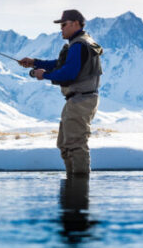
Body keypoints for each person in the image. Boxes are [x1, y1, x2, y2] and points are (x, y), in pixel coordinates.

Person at [19, 10, 104, 177]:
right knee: (65, 144)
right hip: (80, 100)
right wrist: (35, 63)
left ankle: (79, 187)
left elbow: (68, 73)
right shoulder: (83, 43)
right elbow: (61, 64)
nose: (61, 29)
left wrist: (44, 75)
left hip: (80, 100)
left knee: (75, 144)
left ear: (75, 23)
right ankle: (73, 185)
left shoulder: (79, 44)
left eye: (64, 25)